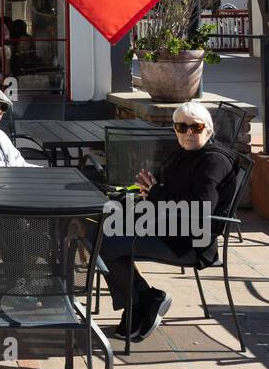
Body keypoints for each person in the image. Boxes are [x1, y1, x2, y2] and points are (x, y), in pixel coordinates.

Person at [90, 100, 237, 343]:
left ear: (208, 130)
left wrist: (156, 194)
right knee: (99, 229)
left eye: (196, 127)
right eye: (181, 127)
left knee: (105, 245)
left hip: (189, 242)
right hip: (166, 226)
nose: (188, 133)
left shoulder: (213, 162)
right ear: (175, 130)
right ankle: (143, 300)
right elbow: (163, 188)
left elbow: (200, 210)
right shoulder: (183, 154)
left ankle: (141, 302)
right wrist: (146, 191)